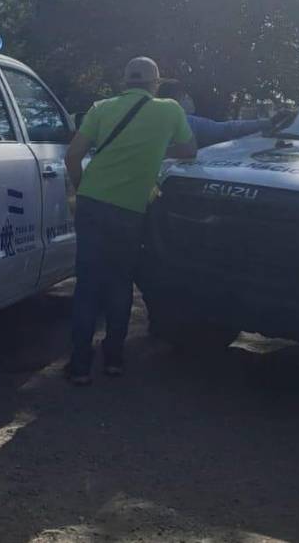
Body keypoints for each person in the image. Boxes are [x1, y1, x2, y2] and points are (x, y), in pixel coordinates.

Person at [63, 57, 197, 385]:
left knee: (88, 285)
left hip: (92, 204)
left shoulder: (100, 108)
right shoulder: (169, 110)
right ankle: (113, 360)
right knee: (120, 283)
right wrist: (153, 152)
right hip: (130, 210)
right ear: (155, 84)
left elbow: (72, 157)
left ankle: (80, 365)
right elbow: (189, 150)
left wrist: (82, 191)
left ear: (124, 82)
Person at [158, 79, 287, 148]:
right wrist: (269, 122)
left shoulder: (145, 117)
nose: (188, 99)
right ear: (175, 98)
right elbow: (227, 129)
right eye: (184, 96)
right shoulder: (188, 122)